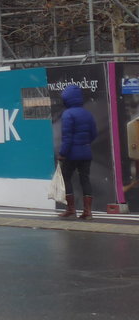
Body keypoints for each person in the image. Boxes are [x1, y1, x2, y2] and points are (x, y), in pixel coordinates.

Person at [56, 84, 97, 220]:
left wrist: (62, 153)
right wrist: (84, 143)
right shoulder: (88, 114)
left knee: (66, 177)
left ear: (67, 99)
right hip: (86, 153)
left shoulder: (67, 114)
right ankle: (87, 211)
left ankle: (71, 209)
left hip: (72, 154)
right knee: (85, 179)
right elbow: (94, 134)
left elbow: (67, 138)